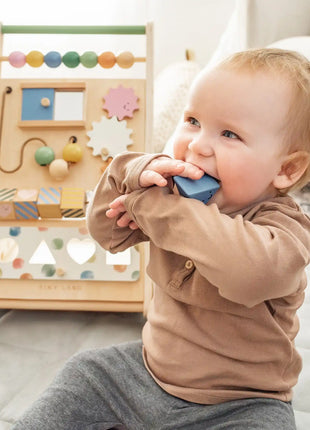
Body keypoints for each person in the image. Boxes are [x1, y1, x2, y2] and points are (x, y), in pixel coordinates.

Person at [13, 48, 310, 430]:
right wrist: (130, 172)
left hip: (242, 401)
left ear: (286, 169)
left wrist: (155, 208)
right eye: (192, 120)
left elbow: (248, 273)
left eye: (229, 134)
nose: (198, 145)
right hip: (145, 372)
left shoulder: (286, 229)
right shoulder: (164, 188)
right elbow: (106, 233)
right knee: (84, 370)